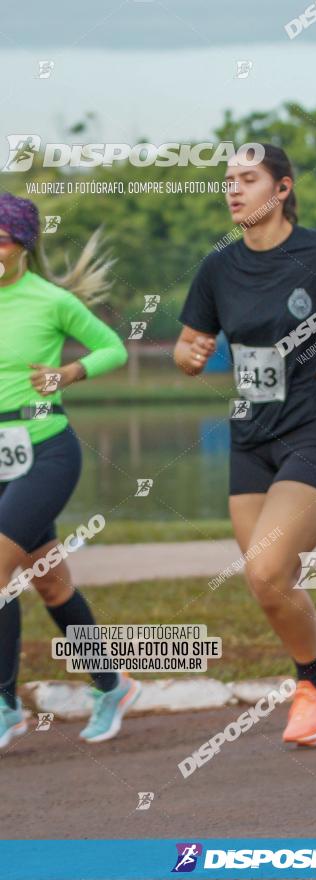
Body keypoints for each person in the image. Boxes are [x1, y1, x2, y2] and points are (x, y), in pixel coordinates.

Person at [175, 144, 316, 746]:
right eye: (228, 180)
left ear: (281, 190)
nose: (233, 190)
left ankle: (314, 686)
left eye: (248, 179)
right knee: (271, 585)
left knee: (269, 567)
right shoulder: (217, 267)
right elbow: (188, 344)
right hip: (251, 440)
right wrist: (188, 356)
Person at [0, 192, 140, 748]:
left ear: (23, 245)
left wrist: (68, 373)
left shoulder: (48, 300)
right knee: (51, 584)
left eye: (3, 236)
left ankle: (5, 704)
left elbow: (114, 349)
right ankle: (112, 685)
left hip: (46, 452)